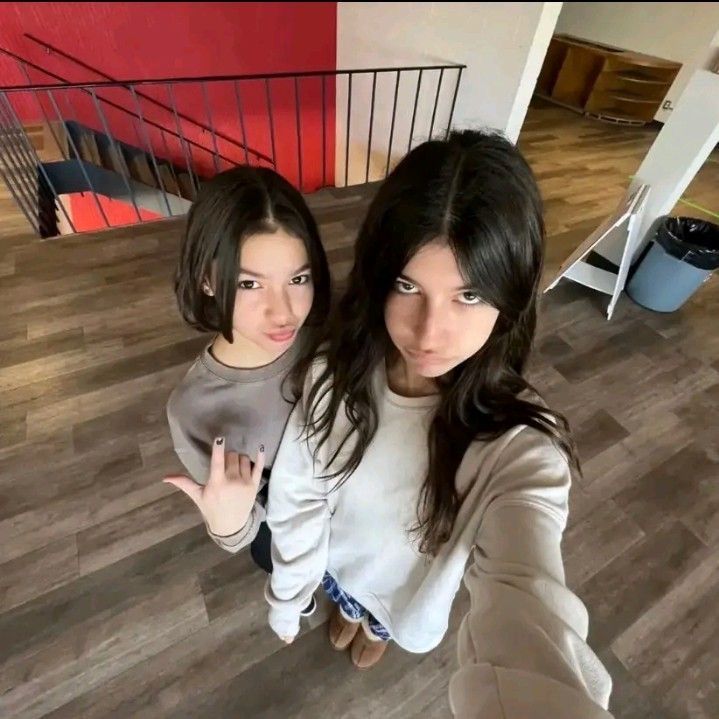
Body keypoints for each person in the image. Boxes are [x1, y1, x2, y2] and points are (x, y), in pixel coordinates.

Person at [264, 131, 613, 716]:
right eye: (408, 286)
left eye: (469, 295)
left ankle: (373, 629)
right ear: (380, 278)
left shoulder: (517, 451)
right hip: (336, 560)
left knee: (378, 623)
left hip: (405, 597)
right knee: (346, 604)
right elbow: (298, 488)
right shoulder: (335, 370)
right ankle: (352, 615)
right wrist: (289, 591)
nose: (428, 335)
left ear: (511, 294)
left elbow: (527, 600)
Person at [163, 165, 330, 584]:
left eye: (298, 278)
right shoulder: (194, 411)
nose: (284, 311)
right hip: (279, 535)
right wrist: (225, 524)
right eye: (249, 285)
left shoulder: (326, 339)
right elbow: (239, 527)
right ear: (206, 280)